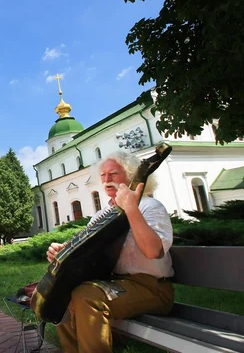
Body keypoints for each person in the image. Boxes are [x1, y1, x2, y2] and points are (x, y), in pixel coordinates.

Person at [46, 151, 174, 353]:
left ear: (131, 176)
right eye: (103, 176)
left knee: (86, 296)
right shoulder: (101, 215)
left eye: (113, 174)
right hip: (113, 284)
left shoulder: (150, 206)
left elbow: (153, 251)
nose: (107, 180)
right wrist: (62, 252)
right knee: (61, 296)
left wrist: (131, 208)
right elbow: (87, 252)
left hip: (152, 289)